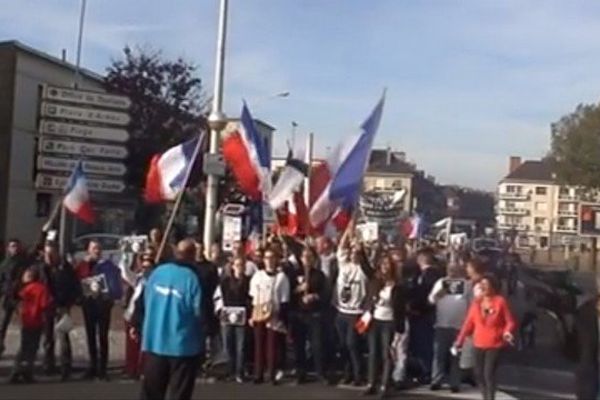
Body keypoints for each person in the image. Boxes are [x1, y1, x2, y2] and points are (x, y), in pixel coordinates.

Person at [137, 239, 203, 400]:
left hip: (155, 342)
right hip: (182, 346)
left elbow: (141, 303)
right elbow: (199, 311)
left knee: (151, 393)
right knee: (179, 394)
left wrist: (137, 325)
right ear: (192, 255)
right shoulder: (191, 278)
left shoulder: (156, 273)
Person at [454, 274, 516, 400]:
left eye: (486, 285)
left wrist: (507, 332)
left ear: (493, 287)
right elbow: (468, 324)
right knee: (478, 374)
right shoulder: (476, 303)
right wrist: (459, 342)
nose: (483, 287)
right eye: (482, 285)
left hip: (495, 344)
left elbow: (510, 321)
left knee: (488, 374)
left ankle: (490, 398)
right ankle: (485, 396)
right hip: (478, 343)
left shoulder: (500, 302)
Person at [76, 239, 123, 380]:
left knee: (103, 336)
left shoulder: (108, 266)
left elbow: (115, 282)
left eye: (98, 248)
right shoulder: (83, 266)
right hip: (89, 304)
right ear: (88, 250)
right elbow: (77, 281)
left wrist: (111, 297)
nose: (96, 250)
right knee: (90, 336)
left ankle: (102, 368)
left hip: (103, 305)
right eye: (94, 248)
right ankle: (92, 366)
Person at [363, 254, 407, 398]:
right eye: (382, 264)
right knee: (373, 353)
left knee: (386, 354)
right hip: (375, 320)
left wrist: (400, 329)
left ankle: (385, 385)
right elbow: (365, 266)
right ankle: (371, 383)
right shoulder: (375, 282)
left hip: (389, 322)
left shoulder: (398, 286)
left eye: (387, 264)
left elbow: (400, 309)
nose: (385, 267)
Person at [36, 242, 80, 380]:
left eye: (51, 253)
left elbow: (75, 286)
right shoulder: (41, 269)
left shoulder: (66, 268)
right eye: (47, 253)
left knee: (63, 338)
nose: (49, 257)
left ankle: (65, 368)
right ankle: (48, 366)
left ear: (57, 253)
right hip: (47, 307)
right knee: (48, 338)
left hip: (62, 306)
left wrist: (69, 303)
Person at [334, 222, 371, 386]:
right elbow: (342, 246)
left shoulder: (363, 270)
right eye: (352, 252)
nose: (353, 255)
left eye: (357, 253)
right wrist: (349, 228)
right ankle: (347, 372)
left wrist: (361, 244)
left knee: (352, 344)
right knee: (342, 345)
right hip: (341, 312)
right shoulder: (344, 265)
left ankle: (358, 374)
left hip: (356, 313)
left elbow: (369, 264)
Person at [288, 246, 329, 384]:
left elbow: (326, 294)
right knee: (299, 345)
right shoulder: (294, 274)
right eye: (305, 256)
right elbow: (287, 294)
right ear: (301, 258)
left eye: (310, 256)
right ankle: (301, 373)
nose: (307, 259)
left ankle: (320, 373)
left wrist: (315, 296)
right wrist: (298, 289)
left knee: (317, 345)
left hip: (314, 315)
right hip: (299, 315)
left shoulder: (319, 275)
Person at [249, 248, 290, 385]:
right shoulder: (258, 276)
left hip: (274, 314)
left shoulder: (281, 277)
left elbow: (284, 300)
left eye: (272, 257)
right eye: (267, 258)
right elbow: (252, 297)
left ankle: (271, 374)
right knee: (259, 345)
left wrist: (281, 318)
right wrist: (252, 315)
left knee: (272, 346)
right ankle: (258, 374)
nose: (269, 260)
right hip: (259, 312)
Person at [428, 263, 469, 393]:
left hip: (459, 327)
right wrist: (438, 294)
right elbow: (430, 300)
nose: (452, 272)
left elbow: (472, 303)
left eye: (455, 269)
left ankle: (455, 383)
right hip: (442, 324)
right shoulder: (441, 282)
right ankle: (436, 380)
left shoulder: (466, 284)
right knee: (439, 355)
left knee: (456, 356)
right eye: (450, 269)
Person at [9, 267, 51, 383]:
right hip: (37, 321)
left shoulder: (25, 290)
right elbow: (45, 306)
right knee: (32, 348)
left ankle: (17, 370)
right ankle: (27, 371)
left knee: (23, 347)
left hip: (26, 321)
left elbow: (18, 302)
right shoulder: (42, 289)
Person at [408, 247, 443, 384]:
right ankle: (425, 369)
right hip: (423, 313)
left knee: (425, 344)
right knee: (423, 343)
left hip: (424, 314)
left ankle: (427, 371)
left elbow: (426, 295)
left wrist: (416, 307)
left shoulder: (430, 275)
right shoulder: (423, 274)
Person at [120, 244, 156, 380]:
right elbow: (126, 274)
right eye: (144, 266)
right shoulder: (139, 278)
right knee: (132, 346)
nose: (146, 269)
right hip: (132, 316)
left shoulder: (156, 281)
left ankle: (143, 370)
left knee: (145, 346)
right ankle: (131, 369)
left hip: (147, 318)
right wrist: (124, 255)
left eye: (149, 266)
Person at [214, 256, 251, 383]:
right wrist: (219, 311)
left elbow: (251, 298)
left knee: (241, 345)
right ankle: (230, 370)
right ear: (233, 266)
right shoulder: (225, 282)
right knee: (228, 344)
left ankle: (239, 372)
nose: (240, 267)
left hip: (242, 315)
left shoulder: (248, 281)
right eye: (237, 265)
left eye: (242, 265)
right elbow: (218, 297)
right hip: (227, 315)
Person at [195, 241, 221, 374]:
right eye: (196, 249)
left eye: (200, 249)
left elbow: (216, 285)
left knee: (208, 335)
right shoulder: (190, 267)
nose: (198, 251)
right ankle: (197, 362)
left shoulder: (210, 267)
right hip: (193, 305)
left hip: (207, 303)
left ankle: (209, 362)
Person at [0, 239, 30, 356]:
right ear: (9, 249)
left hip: (21, 297)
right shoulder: (4, 264)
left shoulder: (25, 261)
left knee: (25, 324)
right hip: (8, 297)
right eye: (12, 246)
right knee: (3, 324)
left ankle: (24, 349)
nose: (15, 248)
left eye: (17, 246)